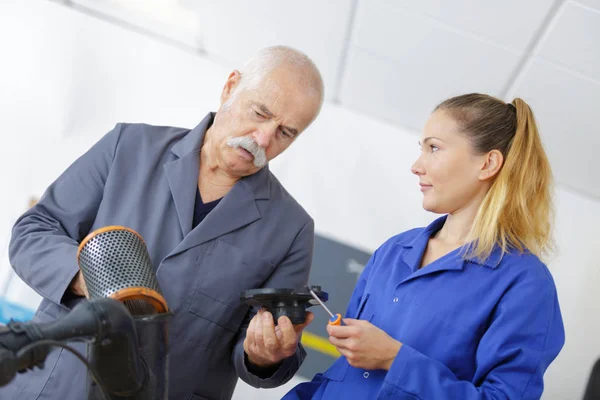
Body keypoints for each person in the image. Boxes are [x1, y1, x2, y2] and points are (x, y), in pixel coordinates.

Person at [0, 45, 324, 400]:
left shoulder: (291, 230)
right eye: (261, 112)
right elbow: (33, 232)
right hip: (51, 386)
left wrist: (264, 357)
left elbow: (266, 354)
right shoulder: (129, 146)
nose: (263, 138)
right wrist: (87, 278)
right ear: (231, 87)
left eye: (285, 133)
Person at [284, 93, 565, 399]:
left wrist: (395, 359)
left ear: (487, 163)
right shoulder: (394, 251)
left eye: (434, 148)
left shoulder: (525, 284)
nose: (416, 166)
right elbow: (344, 375)